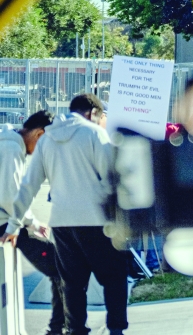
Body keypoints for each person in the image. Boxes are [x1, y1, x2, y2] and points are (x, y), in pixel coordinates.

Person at [0, 94, 129, 335]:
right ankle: (115, 330)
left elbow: (28, 185)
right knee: (114, 276)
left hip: (61, 223)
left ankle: (75, 330)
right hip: (96, 221)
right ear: (91, 113)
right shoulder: (94, 134)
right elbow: (113, 178)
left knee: (72, 283)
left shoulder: (47, 140)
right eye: (100, 118)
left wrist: (14, 225)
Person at [0, 111, 63, 335]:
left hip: (8, 221)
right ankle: (58, 328)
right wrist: (31, 223)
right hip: (6, 223)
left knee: (58, 265)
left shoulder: (9, 143)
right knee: (60, 267)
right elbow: (9, 196)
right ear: (39, 133)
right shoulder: (10, 148)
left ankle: (58, 327)